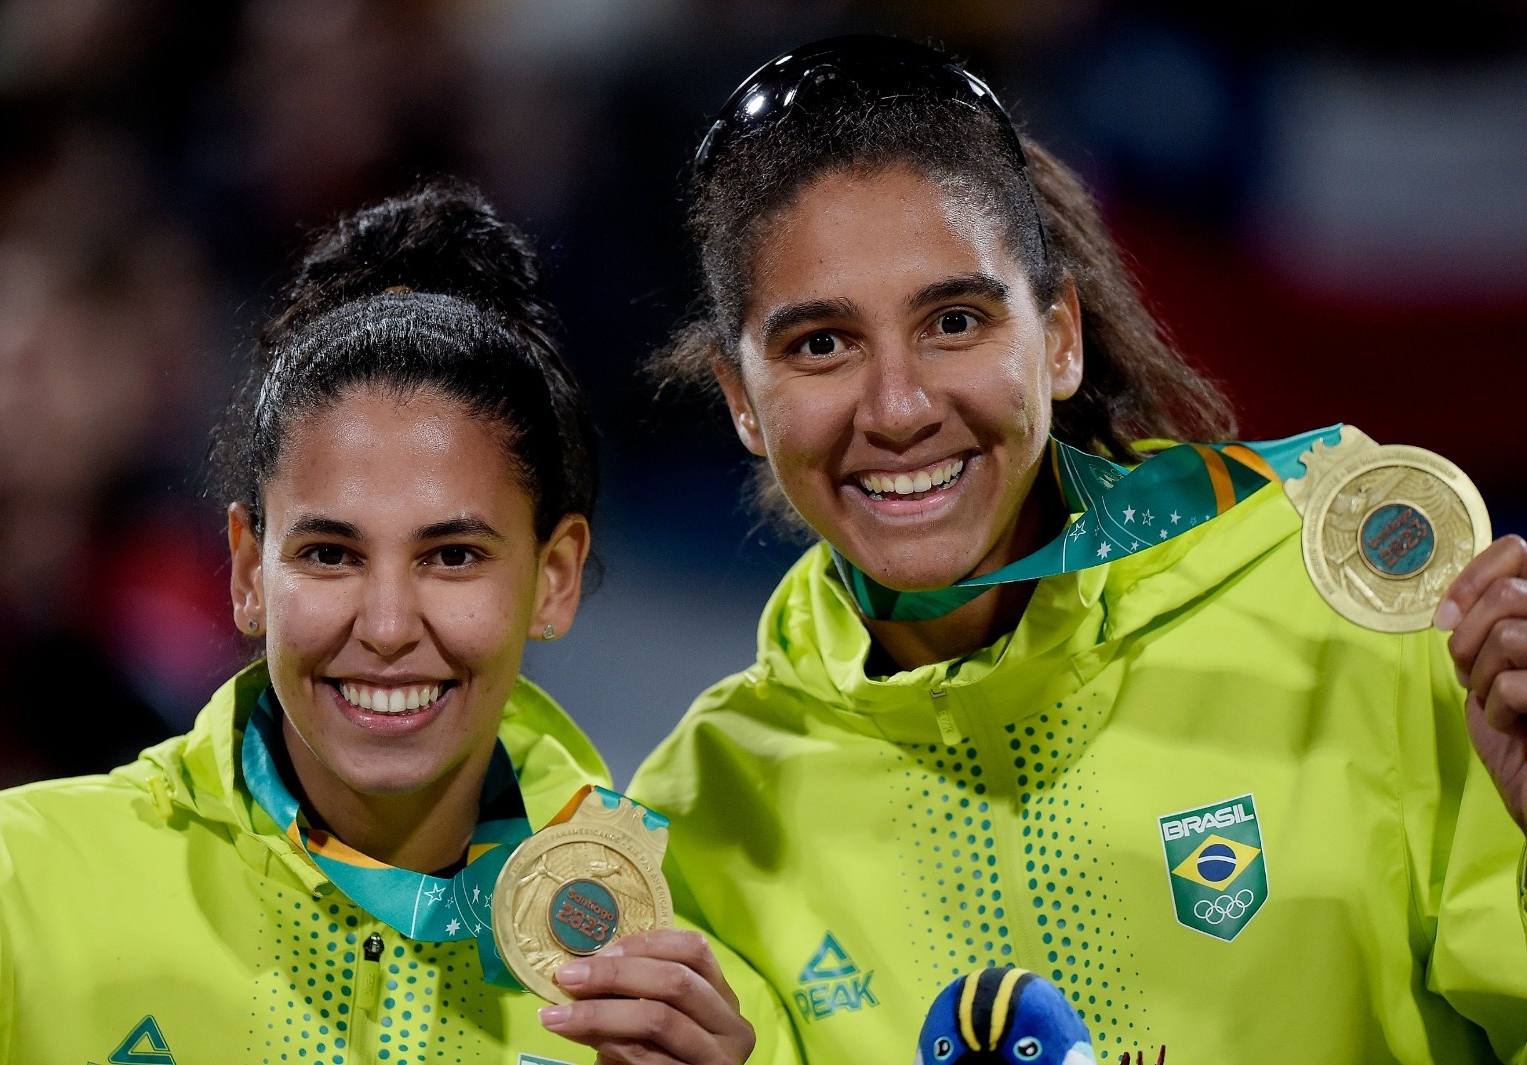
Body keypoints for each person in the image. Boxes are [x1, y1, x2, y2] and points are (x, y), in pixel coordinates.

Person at [627, 34, 1527, 1065]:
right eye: (820, 344)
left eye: (953, 320)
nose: (898, 408)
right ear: (741, 400)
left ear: (1059, 339)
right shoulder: (699, 824)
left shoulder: (1351, 608)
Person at [0, 178, 793, 1065]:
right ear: (247, 570)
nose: (385, 625)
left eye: (452, 556)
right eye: (331, 554)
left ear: (554, 578)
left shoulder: (686, 999)